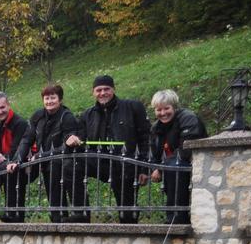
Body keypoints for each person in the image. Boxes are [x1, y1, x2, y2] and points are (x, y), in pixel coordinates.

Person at [66, 75, 151, 224]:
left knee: (127, 213)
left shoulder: (132, 107)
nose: (103, 93)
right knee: (71, 165)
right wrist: (72, 139)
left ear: (114, 89)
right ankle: (81, 213)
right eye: (99, 90)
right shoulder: (88, 114)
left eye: (107, 89)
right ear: (93, 92)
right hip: (99, 162)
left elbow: (146, 137)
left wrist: (144, 168)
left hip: (125, 164)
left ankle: (129, 229)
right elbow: (80, 138)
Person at [8, 84, 86, 223]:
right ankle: (15, 215)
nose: (49, 101)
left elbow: (68, 145)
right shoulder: (38, 116)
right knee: (16, 172)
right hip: (42, 161)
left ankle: (70, 215)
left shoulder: (66, 117)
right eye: (46, 98)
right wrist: (17, 160)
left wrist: (41, 156)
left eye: (53, 98)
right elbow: (27, 138)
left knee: (56, 179)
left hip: (63, 161)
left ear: (60, 99)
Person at [150, 89, 208, 225]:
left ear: (174, 107)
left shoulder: (188, 118)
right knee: (171, 169)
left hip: (194, 163)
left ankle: (177, 217)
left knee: (174, 167)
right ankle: (175, 215)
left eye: (166, 108)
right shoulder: (156, 128)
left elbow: (186, 150)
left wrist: (164, 166)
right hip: (172, 165)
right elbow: (155, 152)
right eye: (159, 110)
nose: (163, 113)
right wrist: (156, 168)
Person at [0, 92, 30, 223]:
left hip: (20, 162)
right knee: (7, 173)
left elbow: (17, 149)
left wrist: (4, 160)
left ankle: (15, 215)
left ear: (8, 105)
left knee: (13, 173)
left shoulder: (19, 123)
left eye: (2, 107)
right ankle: (11, 212)